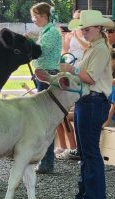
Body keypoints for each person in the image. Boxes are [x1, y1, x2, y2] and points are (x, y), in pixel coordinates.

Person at [60, 10, 113, 199]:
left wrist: (71, 69)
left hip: (93, 102)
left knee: (89, 152)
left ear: (99, 29)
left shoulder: (99, 50)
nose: (83, 32)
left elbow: (90, 78)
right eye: (82, 29)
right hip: (88, 101)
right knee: (85, 152)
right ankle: (85, 196)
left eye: (87, 29)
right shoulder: (95, 48)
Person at [29, 2, 62, 174]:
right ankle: (45, 159)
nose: (35, 19)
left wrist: (28, 45)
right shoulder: (47, 31)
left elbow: (41, 51)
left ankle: (47, 161)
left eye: (38, 16)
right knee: (44, 119)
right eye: (34, 16)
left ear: (46, 16)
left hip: (47, 75)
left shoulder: (52, 32)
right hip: (43, 75)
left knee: (46, 120)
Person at [55, 9, 88, 160]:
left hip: (83, 73)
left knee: (73, 112)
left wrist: (77, 36)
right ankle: (66, 146)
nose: (76, 22)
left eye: (78, 19)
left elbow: (88, 48)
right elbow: (64, 51)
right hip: (70, 71)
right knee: (62, 112)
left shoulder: (88, 34)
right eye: (74, 19)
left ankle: (75, 148)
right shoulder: (70, 35)